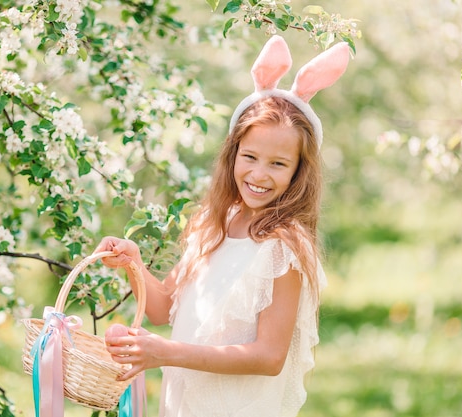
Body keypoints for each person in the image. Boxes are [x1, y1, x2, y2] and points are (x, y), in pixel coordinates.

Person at [95, 35, 351, 417]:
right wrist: (135, 264)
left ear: (299, 171)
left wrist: (166, 352)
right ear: (233, 154)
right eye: (250, 157)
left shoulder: (283, 248)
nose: (259, 174)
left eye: (278, 164)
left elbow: (269, 357)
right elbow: (165, 310)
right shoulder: (216, 225)